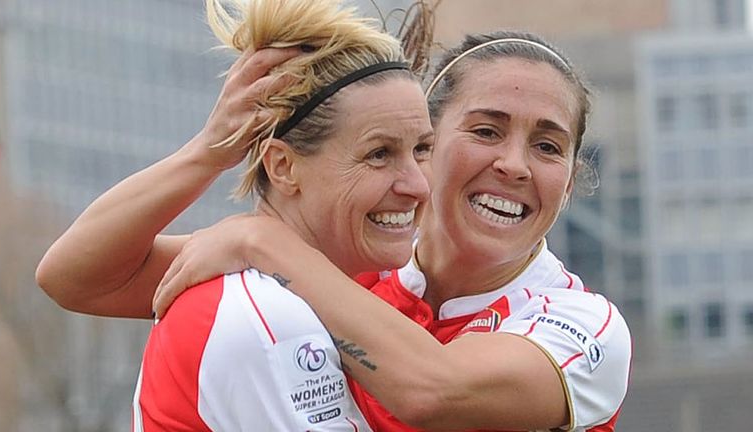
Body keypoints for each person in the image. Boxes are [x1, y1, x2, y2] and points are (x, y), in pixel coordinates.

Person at [36, 15, 631, 432]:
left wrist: (262, 238)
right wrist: (209, 152)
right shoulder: (359, 253)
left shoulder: (585, 325)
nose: (513, 164)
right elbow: (78, 277)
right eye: (485, 130)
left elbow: (434, 391)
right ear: (428, 142)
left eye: (549, 147)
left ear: (571, 179)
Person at [38, 0, 436, 430]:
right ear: (283, 167)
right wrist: (206, 151)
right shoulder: (258, 311)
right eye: (379, 155)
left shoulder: (338, 273)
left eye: (422, 149)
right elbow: (73, 277)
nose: (418, 185)